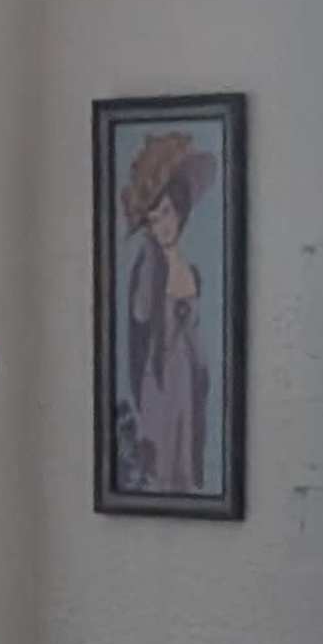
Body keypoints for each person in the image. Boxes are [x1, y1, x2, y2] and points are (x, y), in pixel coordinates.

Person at [117, 123, 215, 497]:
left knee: (185, 462)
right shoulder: (148, 267)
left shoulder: (191, 268)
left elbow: (198, 336)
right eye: (154, 219)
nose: (162, 226)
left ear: (182, 211)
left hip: (188, 380)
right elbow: (141, 319)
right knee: (161, 462)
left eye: (168, 214)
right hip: (159, 380)